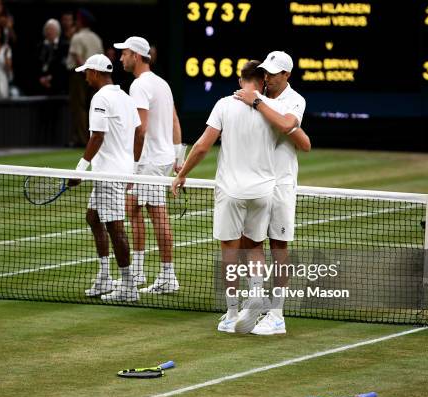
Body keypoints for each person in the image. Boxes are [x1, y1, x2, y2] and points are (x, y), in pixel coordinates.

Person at [172, 60, 311, 334]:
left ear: (240, 81)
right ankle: (257, 293)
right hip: (263, 192)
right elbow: (300, 138)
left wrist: (181, 174)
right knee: (255, 246)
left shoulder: (225, 105)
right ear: (262, 80)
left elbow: (202, 146)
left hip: (232, 191)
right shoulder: (276, 108)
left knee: (231, 251)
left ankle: (232, 312)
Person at [233, 51, 311, 335]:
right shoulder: (256, 98)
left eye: (274, 73)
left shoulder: (294, 100)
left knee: (278, 246)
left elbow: (293, 130)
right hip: (254, 183)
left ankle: (277, 314)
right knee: (250, 243)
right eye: (265, 72)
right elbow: (302, 140)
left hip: (280, 184)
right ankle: (257, 298)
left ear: (287, 75)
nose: (268, 77)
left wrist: (256, 102)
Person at [113, 35, 183, 294]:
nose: (121, 58)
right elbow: (175, 120)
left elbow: (140, 131)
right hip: (161, 158)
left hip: (150, 162)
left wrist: (131, 166)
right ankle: (139, 270)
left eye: (125, 53)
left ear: (137, 56)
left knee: (158, 215)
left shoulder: (139, 86)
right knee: (131, 208)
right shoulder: (162, 83)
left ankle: (168, 276)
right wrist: (179, 157)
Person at [69, 53, 141, 302]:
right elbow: (138, 133)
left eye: (87, 72)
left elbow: (97, 136)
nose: (86, 77)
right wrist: (132, 168)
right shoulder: (125, 97)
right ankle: (104, 276)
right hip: (116, 171)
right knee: (93, 217)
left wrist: (80, 169)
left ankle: (129, 285)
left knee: (115, 227)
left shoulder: (100, 98)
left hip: (110, 173)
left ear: (97, 73)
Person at [66, 8, 102, 146]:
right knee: (91, 107)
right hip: (96, 75)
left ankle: (83, 140)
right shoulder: (96, 38)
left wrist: (85, 73)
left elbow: (77, 58)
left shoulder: (77, 37)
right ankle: (91, 137)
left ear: (81, 22)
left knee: (79, 107)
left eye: (77, 19)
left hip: (80, 76)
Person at [37, 18, 67, 95]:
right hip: (40, 84)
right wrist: (40, 78)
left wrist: (51, 78)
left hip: (57, 85)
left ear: (58, 32)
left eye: (52, 29)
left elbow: (63, 66)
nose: (49, 32)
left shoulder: (64, 46)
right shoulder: (40, 46)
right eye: (47, 29)